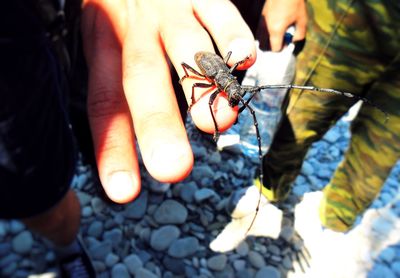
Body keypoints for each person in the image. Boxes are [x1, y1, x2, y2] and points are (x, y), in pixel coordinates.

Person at [1, 0, 257, 276]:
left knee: (40, 195)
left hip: (16, 43)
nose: (235, 96)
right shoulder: (216, 79)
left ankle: (66, 241)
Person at [256, 0, 400, 233]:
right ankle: (269, 186)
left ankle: (336, 219)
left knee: (385, 145)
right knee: (303, 111)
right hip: (354, 12)